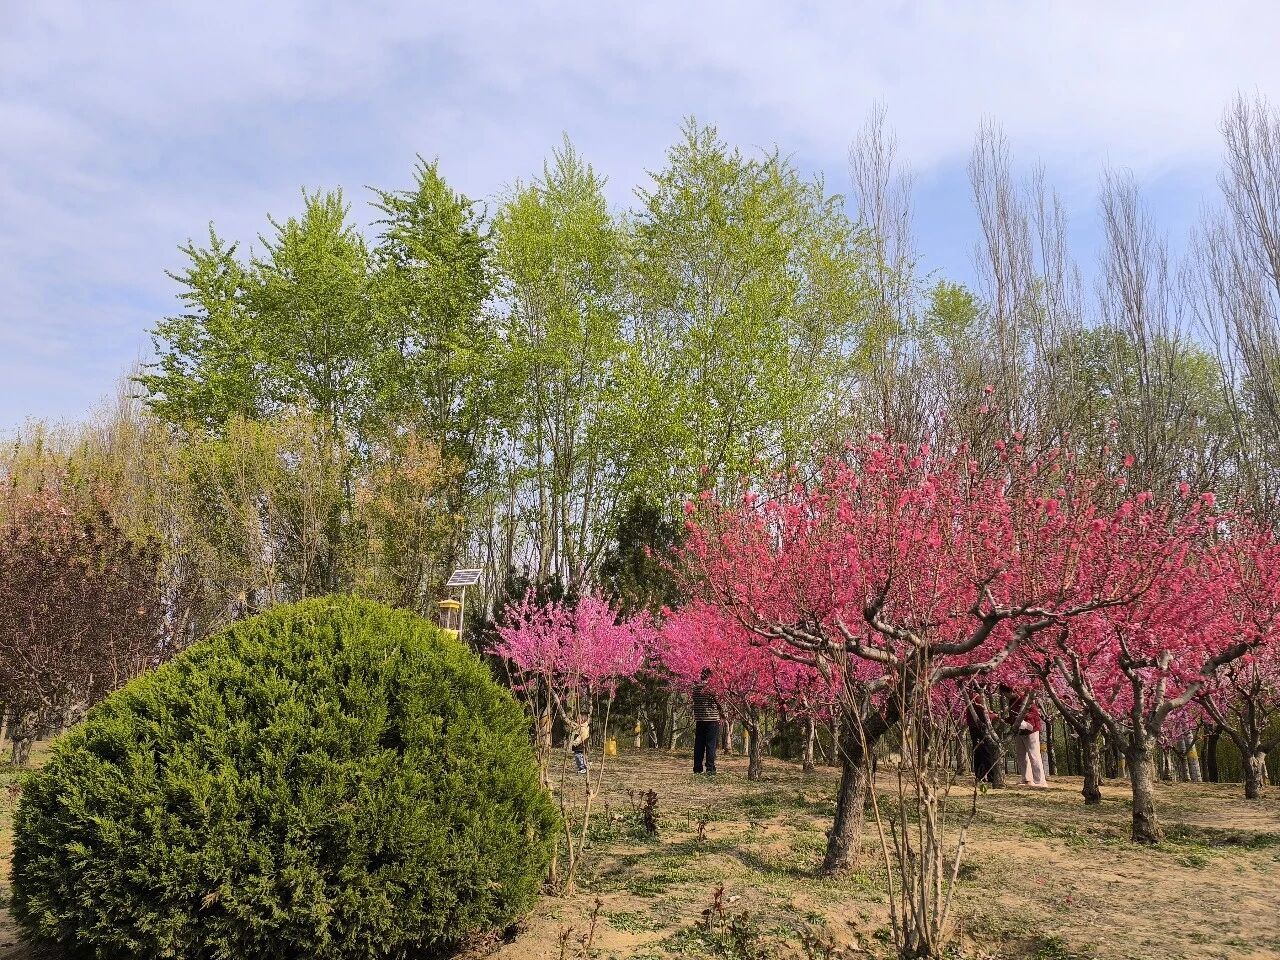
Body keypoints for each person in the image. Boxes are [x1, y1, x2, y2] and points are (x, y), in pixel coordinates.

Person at [1007, 689, 1047, 788]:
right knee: (1021, 755)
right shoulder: (1011, 701)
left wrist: (1023, 716)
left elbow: (1035, 713)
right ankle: (1026, 778)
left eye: (1006, 693)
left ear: (1012, 691)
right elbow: (1012, 716)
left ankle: (1040, 781)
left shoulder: (1025, 698)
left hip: (1030, 729)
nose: (1006, 696)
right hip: (1019, 730)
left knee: (1034, 755)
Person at [966, 689, 999, 784]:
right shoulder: (977, 698)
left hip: (974, 727)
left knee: (979, 752)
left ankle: (980, 775)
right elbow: (983, 715)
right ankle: (990, 776)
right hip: (979, 728)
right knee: (985, 752)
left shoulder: (971, 697)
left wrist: (989, 712)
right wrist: (993, 715)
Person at [691, 667, 720, 775]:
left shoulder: (695, 688)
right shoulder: (712, 688)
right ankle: (710, 768)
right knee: (710, 745)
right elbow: (719, 701)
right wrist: (722, 711)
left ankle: (697, 768)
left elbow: (694, 700)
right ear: (710, 676)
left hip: (700, 719)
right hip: (712, 719)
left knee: (699, 744)